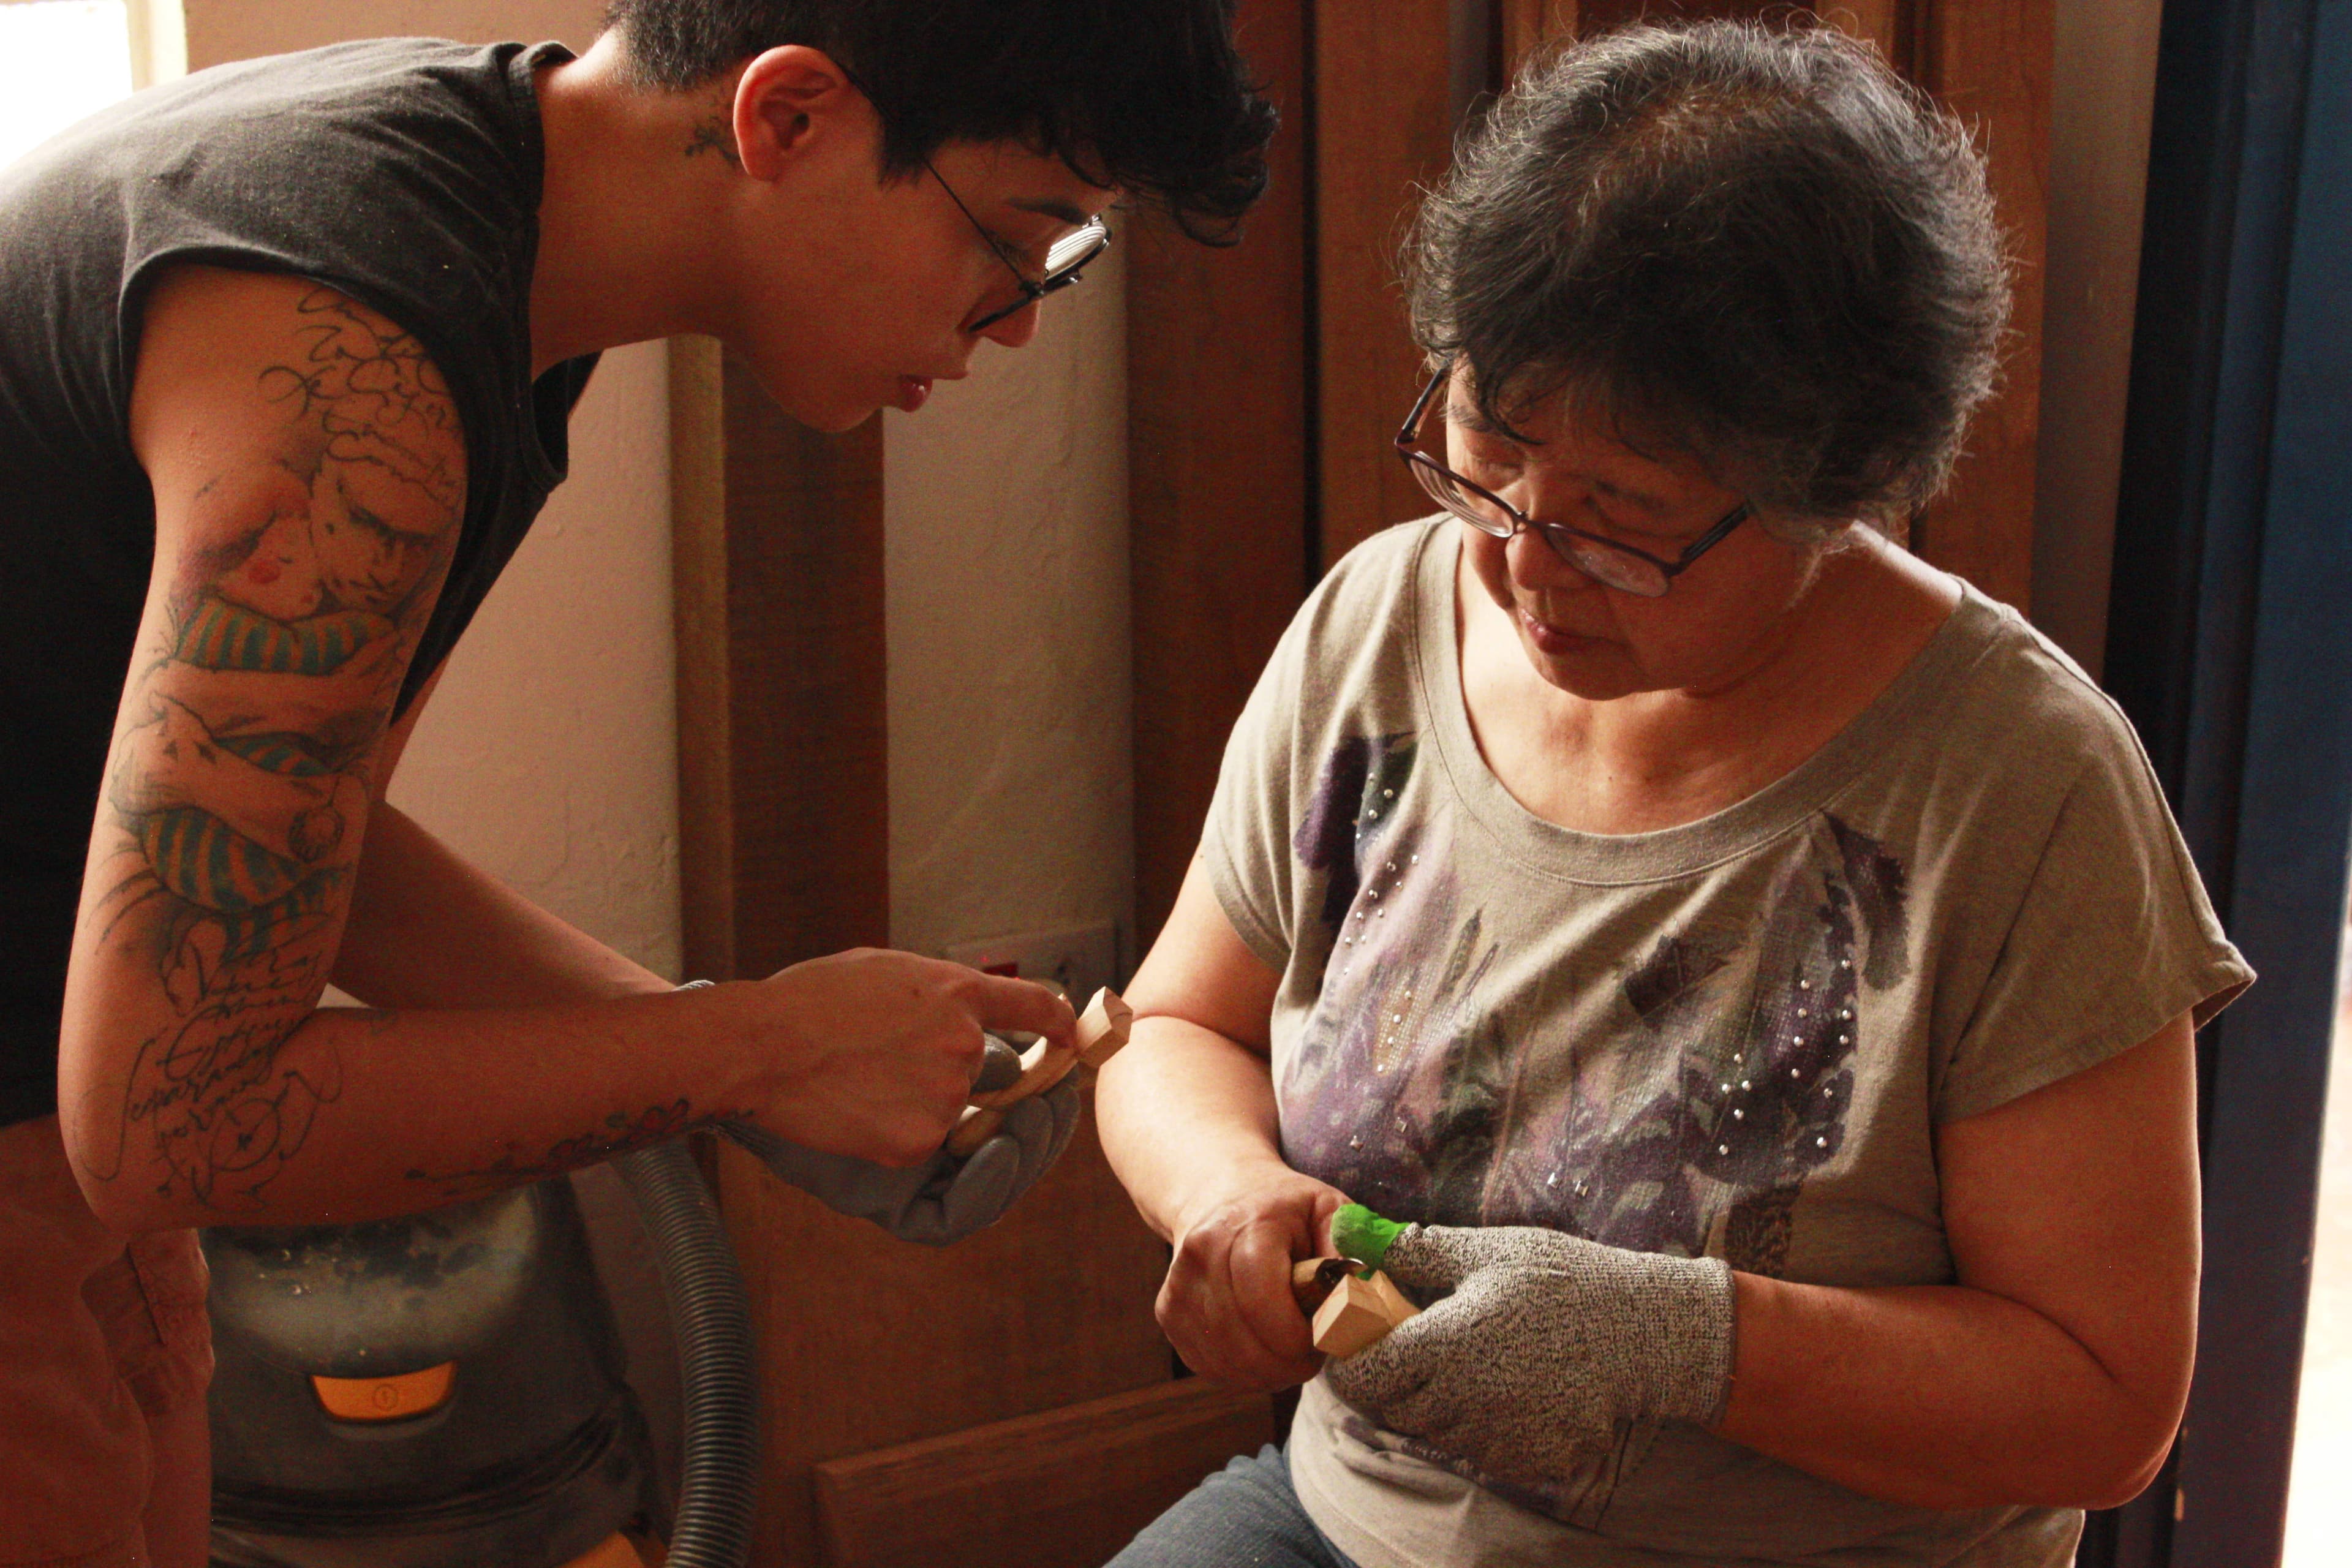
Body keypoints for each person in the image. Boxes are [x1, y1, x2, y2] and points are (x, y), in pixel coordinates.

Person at [0, 2, 1273, 1563]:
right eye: (1023, 239)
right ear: (788, 119)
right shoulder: (358, 352)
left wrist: (742, 1060)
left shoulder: (485, 235)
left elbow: (309, 874)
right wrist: (747, 1047)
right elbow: (165, 1116)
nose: (1014, 321)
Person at [1095, 21, 2250, 1568]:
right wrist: (1227, 1191)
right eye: (1484, 454)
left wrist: (1680, 1340)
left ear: (1833, 492)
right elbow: (1173, 1026)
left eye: (1621, 520)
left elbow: (2102, 1406)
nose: (1518, 564)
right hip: (1349, 1510)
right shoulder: (1383, 623)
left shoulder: (2018, 788)